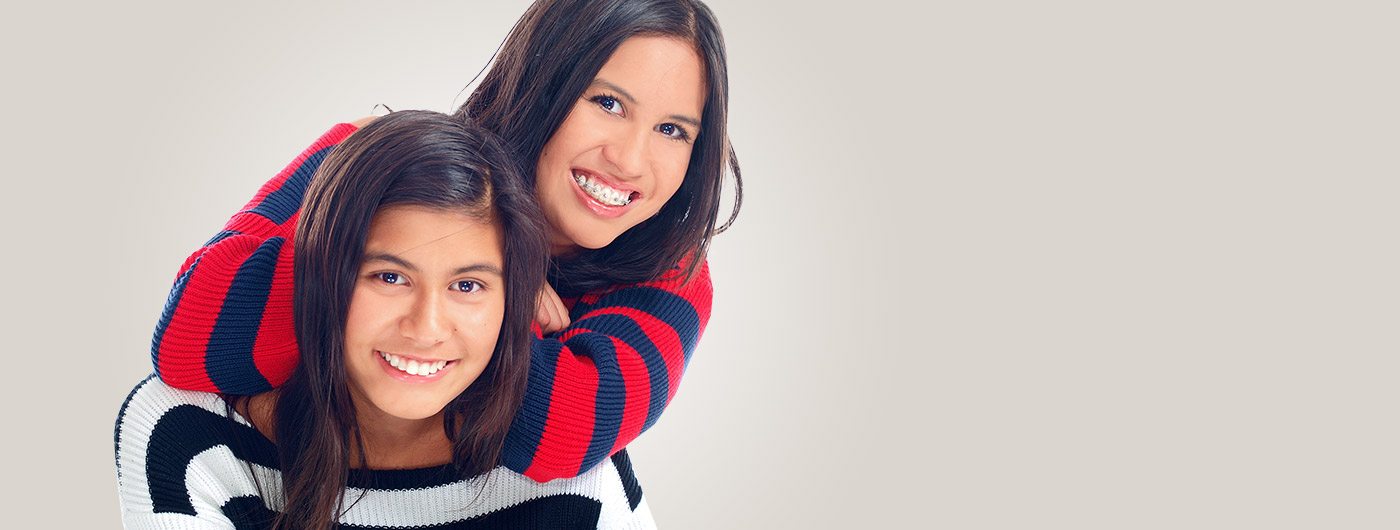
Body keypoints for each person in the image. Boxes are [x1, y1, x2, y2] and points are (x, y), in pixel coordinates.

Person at [149, 0, 740, 481]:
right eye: (607, 103)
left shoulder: (673, 271)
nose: (631, 160)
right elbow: (190, 336)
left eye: (672, 130)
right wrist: (457, 261)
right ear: (541, 85)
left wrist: (494, 283)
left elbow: (565, 427)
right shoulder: (375, 160)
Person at [117, 111, 655, 528]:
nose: (425, 328)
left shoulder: (576, 481)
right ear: (326, 273)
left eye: (467, 286)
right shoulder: (187, 435)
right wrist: (349, 144)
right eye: (389, 278)